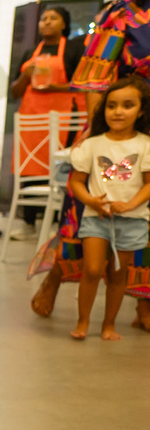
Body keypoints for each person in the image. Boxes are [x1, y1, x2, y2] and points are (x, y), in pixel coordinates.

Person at [33, 0, 150, 331]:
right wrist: (100, 131)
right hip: (123, 123)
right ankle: (54, 278)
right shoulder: (124, 15)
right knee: (83, 216)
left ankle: (144, 299)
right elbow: (95, 75)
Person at [66, 77, 150, 339]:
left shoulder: (145, 145)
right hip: (96, 216)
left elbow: (148, 185)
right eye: (112, 105)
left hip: (132, 219)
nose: (118, 112)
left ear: (141, 110)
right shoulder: (93, 145)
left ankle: (108, 325)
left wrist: (130, 204)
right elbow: (76, 182)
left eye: (127, 105)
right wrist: (91, 201)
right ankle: (83, 322)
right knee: (91, 270)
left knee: (117, 274)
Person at [8, 6, 84, 233]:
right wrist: (26, 75)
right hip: (32, 120)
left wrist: (53, 86)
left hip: (64, 119)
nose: (47, 22)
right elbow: (14, 92)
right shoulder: (29, 52)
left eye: (53, 18)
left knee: (61, 167)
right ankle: (28, 223)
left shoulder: (72, 49)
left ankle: (59, 222)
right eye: (43, 19)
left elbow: (81, 84)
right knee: (30, 166)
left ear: (64, 24)